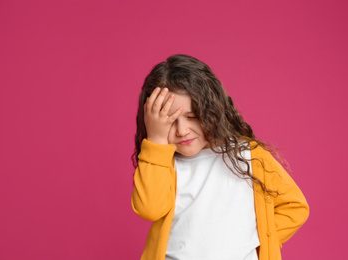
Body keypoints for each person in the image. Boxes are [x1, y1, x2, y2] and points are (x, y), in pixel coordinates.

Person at [131, 54, 309, 260]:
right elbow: (150, 209)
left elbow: (295, 207)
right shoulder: (162, 163)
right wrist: (155, 142)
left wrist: (258, 240)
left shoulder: (248, 155)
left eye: (192, 117)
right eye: (169, 122)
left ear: (212, 110)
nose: (182, 130)